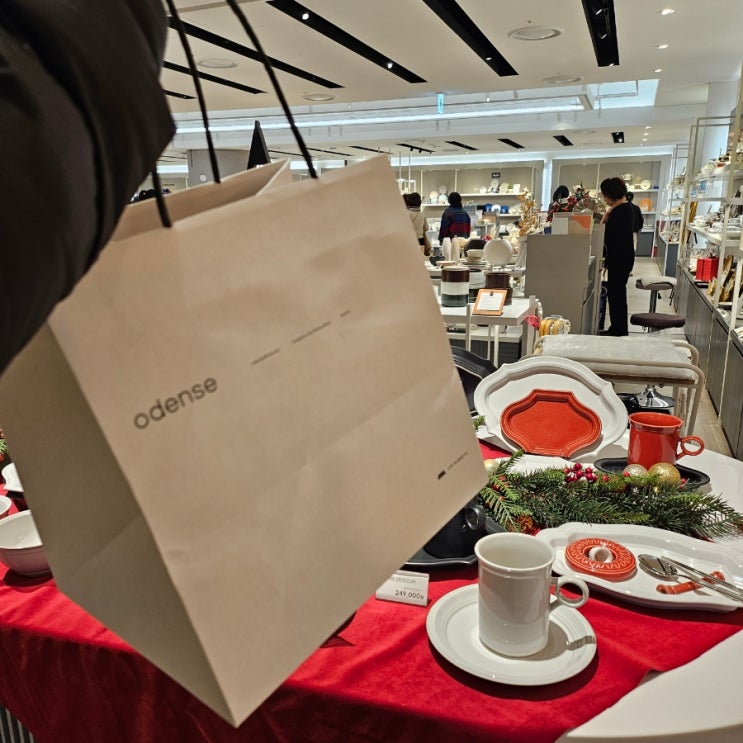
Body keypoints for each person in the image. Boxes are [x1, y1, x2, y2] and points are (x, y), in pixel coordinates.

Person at [599, 177, 635, 336]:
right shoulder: (623, 208)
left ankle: (618, 330)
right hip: (623, 258)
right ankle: (618, 328)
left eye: (604, 195)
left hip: (619, 260)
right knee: (617, 294)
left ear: (611, 194)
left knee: (616, 295)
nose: (604, 199)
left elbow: (611, 237)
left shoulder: (620, 211)